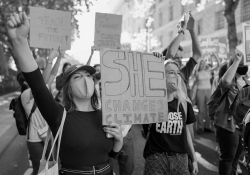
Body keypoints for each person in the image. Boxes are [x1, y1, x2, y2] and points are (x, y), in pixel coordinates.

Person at [7, 11, 123, 175]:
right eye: (77, 76)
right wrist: (19, 41)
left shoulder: (106, 115)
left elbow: (112, 155)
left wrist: (119, 139)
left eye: (88, 75)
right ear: (68, 88)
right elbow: (38, 84)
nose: (85, 79)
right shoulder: (59, 115)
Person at [143, 59, 198, 175]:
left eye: (177, 73)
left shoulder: (184, 104)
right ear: (161, 76)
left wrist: (194, 158)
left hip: (180, 159)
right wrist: (155, 63)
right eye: (171, 72)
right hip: (156, 159)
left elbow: (186, 133)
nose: (176, 76)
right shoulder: (151, 103)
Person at [213, 51, 248, 175]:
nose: (243, 65)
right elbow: (225, 82)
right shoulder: (228, 81)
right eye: (240, 63)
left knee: (235, 159)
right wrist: (237, 61)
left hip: (241, 126)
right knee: (228, 159)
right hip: (229, 125)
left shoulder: (246, 82)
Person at [17, 73, 48, 175]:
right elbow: (42, 83)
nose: (36, 79)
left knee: (51, 166)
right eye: (32, 78)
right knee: (39, 170)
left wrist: (55, 59)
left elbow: (51, 75)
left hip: (47, 134)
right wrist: (49, 61)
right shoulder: (26, 94)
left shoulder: (39, 93)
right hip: (35, 140)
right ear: (25, 82)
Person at [194, 53, 220, 134]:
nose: (203, 64)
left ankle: (208, 127)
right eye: (201, 63)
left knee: (209, 109)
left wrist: (214, 56)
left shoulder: (208, 71)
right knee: (201, 110)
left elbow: (218, 65)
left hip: (208, 91)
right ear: (199, 65)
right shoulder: (197, 73)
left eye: (204, 63)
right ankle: (200, 127)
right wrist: (200, 58)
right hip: (200, 91)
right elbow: (195, 68)